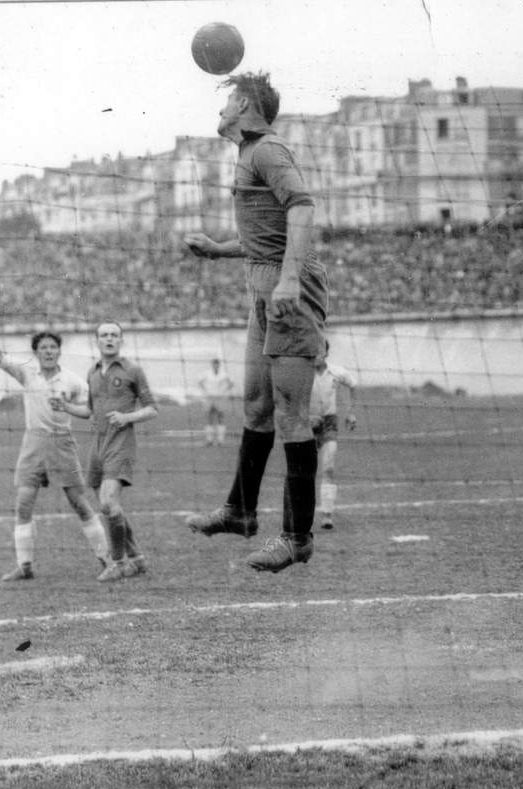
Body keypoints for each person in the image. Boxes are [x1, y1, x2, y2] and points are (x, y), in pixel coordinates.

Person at [183, 71, 328, 573]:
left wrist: (288, 282)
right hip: (262, 283)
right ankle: (241, 511)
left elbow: (302, 208)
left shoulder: (267, 150)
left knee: (291, 413)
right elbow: (265, 238)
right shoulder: (245, 155)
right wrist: (220, 250)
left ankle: (296, 538)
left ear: (243, 102)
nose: (220, 109)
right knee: (256, 404)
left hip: (290, 289)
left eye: (226, 100)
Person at [0, 320, 109, 581]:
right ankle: (24, 566)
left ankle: (106, 559)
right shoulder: (27, 373)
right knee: (23, 504)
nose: (48, 351)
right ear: (36, 352)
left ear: (59, 351)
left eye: (52, 347)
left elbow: (88, 411)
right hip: (33, 443)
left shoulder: (73, 381)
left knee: (79, 503)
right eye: (43, 348)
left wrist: (67, 407)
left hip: (62, 443)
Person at [63, 321, 158, 582]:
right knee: (109, 504)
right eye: (104, 335)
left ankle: (118, 562)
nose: (109, 339)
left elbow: (152, 408)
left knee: (107, 503)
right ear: (97, 340)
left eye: (114, 335)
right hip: (98, 445)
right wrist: (65, 406)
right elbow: (89, 411)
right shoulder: (92, 372)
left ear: (121, 340)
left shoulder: (133, 370)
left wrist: (127, 418)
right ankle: (137, 559)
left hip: (122, 443)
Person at [310, 342, 358, 530]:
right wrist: (306, 417)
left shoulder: (337, 372)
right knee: (305, 472)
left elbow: (353, 385)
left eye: (319, 351)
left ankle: (327, 515)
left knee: (328, 467)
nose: (315, 355)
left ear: (326, 353)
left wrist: (350, 412)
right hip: (307, 426)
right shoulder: (303, 375)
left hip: (329, 423)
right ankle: (302, 515)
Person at [197, 358, 233, 446]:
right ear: (212, 365)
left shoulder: (223, 374)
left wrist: (223, 391)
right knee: (209, 418)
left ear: (219, 365)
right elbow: (200, 382)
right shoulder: (207, 373)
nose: (215, 366)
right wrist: (206, 391)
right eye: (214, 364)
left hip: (219, 398)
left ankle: (220, 441)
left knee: (220, 418)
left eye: (217, 364)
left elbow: (231, 383)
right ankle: (209, 440)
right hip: (209, 398)